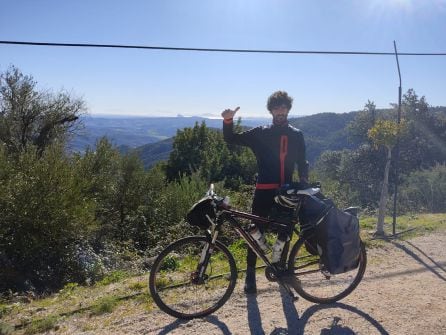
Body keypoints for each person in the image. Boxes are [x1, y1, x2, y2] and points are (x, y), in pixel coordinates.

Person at [221, 90, 309, 294]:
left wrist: (303, 183)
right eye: (277, 107)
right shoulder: (260, 133)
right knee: (255, 230)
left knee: (285, 231)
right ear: (271, 110)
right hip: (264, 190)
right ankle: (250, 275)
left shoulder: (296, 135)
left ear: (288, 109)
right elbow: (231, 138)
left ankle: (282, 271)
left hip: (287, 191)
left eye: (284, 107)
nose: (281, 110)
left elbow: (302, 162)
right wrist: (228, 121)